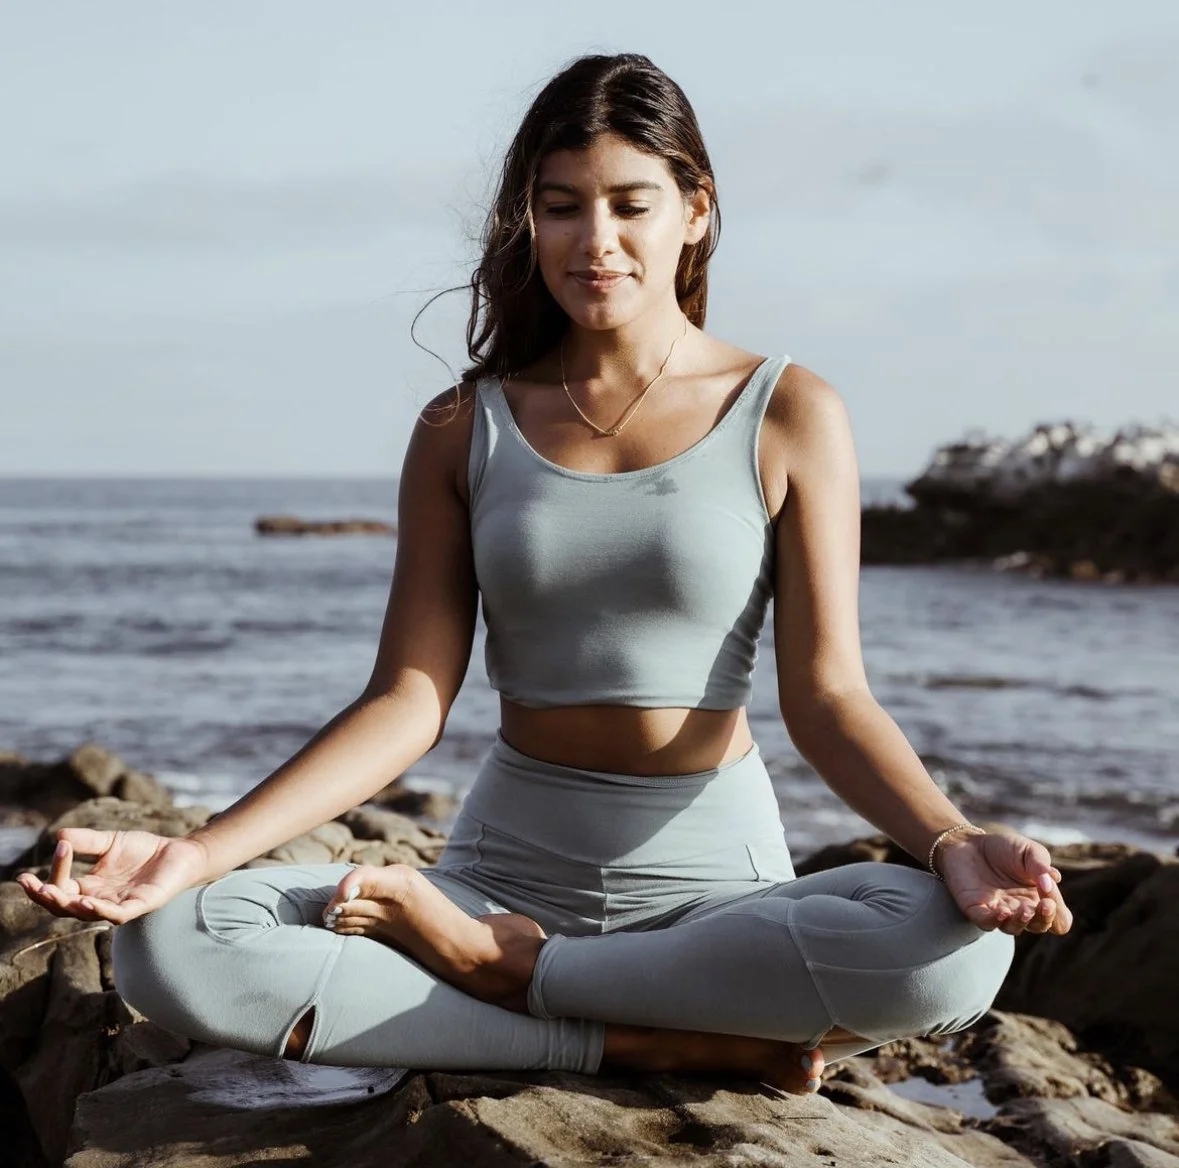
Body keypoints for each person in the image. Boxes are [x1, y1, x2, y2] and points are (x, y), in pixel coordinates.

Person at [17, 52, 1072, 1098]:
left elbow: (829, 696)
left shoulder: (790, 412)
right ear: (528, 223)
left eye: (631, 203)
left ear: (696, 211)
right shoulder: (462, 427)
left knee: (957, 949)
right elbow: (405, 700)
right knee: (175, 942)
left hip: (714, 895)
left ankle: (521, 980)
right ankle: (639, 1036)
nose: (596, 240)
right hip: (495, 874)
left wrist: (952, 840)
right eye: (562, 206)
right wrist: (192, 855)